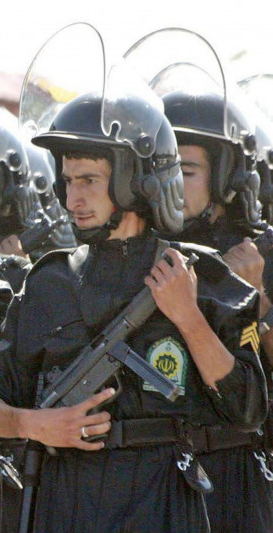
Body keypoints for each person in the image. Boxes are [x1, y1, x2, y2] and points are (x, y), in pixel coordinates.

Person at [0, 72, 268, 533]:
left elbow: (248, 409)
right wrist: (35, 425)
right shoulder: (51, 280)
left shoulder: (200, 275)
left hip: (165, 501)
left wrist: (188, 317)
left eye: (89, 179)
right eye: (67, 180)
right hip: (66, 499)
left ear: (134, 180)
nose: (72, 197)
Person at [159, 87, 273, 532]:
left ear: (226, 179)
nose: (171, 184)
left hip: (234, 472)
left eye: (186, 170)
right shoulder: (143, 255)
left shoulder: (261, 255)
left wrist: (256, 302)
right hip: (156, 474)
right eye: (161, 169)